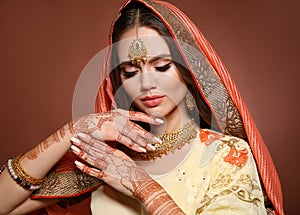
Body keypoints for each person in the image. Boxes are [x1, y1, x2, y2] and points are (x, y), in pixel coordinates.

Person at [0, 0, 284, 214]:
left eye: (161, 66)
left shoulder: (227, 156)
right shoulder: (109, 158)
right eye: (130, 72)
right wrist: (77, 127)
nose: (146, 83)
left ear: (190, 70)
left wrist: (142, 186)